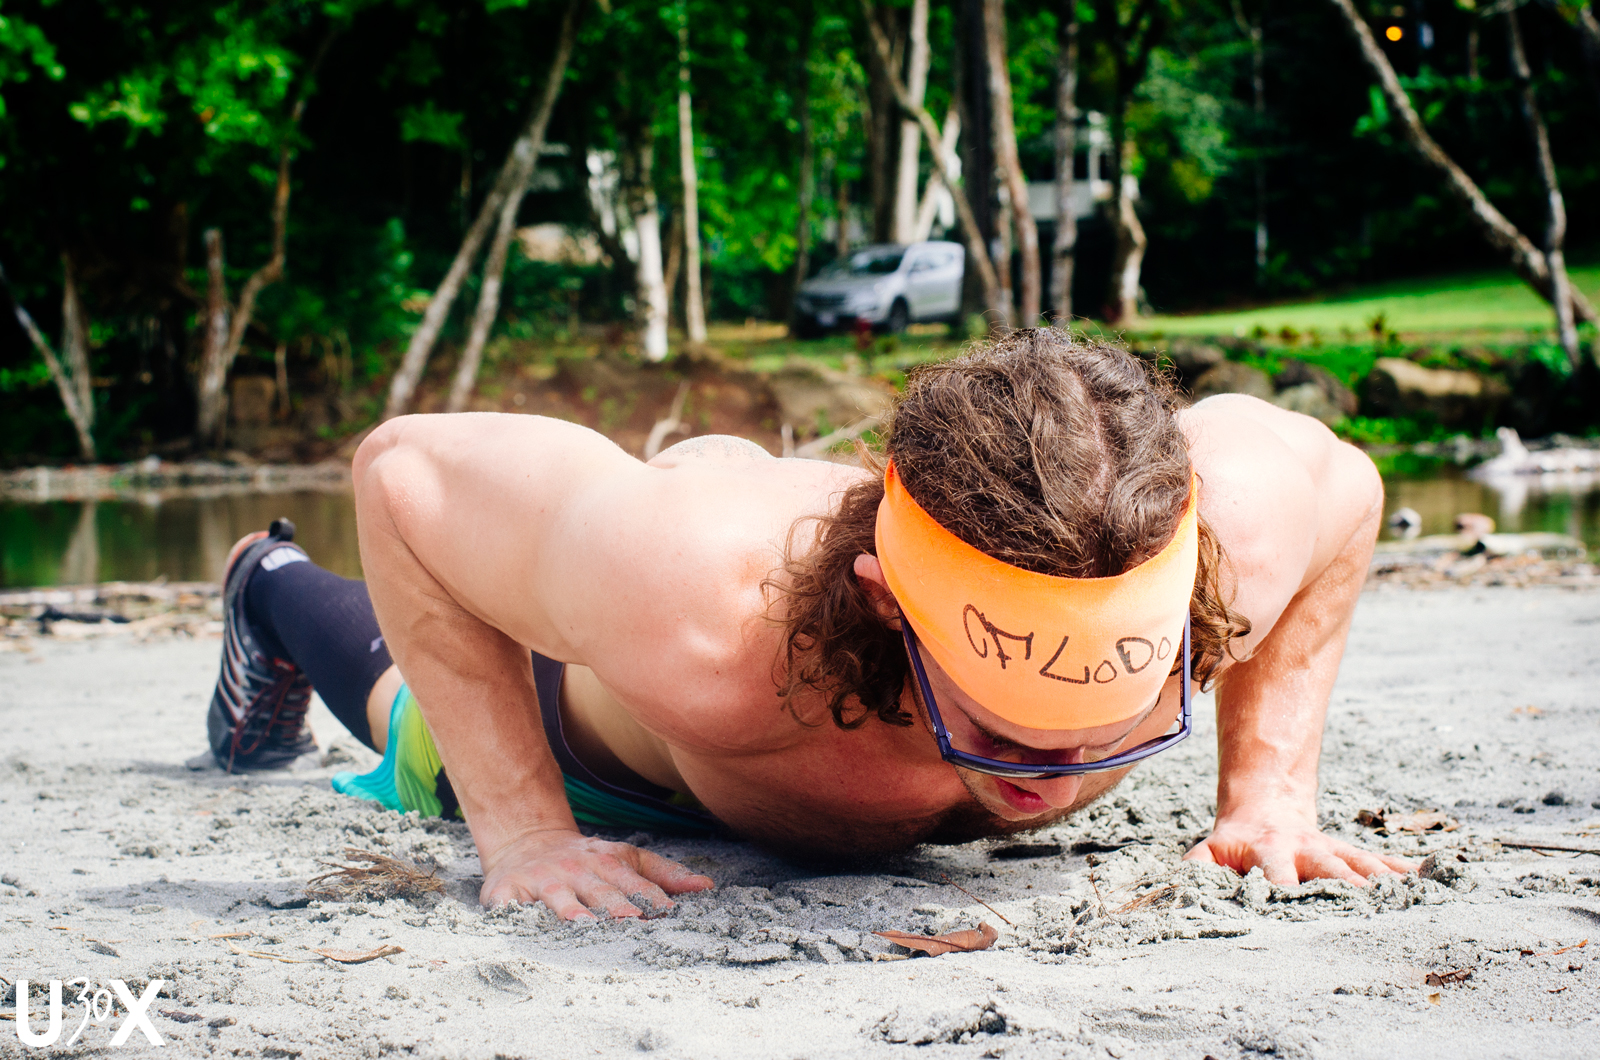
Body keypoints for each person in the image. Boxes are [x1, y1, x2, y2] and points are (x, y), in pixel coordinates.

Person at [205, 331, 1411, 922]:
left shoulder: (1230, 550)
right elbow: (403, 475)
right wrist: (523, 834)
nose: (1051, 777)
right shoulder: (693, 603)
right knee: (397, 706)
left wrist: (1267, 793)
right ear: (889, 606)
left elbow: (1348, 495)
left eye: (1104, 724)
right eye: (1001, 725)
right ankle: (267, 580)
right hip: (610, 740)